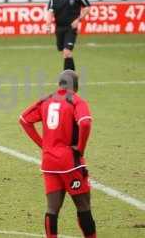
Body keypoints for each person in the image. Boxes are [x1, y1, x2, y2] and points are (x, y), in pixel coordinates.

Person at [19, 70, 96, 238]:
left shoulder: (46, 100)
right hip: (70, 163)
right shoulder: (76, 101)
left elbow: (24, 120)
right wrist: (80, 148)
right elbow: (85, 123)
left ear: (59, 84)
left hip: (49, 163)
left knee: (52, 209)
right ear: (75, 86)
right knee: (83, 206)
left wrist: (43, 144)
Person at [46, 0, 91, 71]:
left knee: (67, 51)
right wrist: (48, 25)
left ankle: (70, 79)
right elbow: (50, 11)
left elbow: (87, 7)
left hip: (71, 28)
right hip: (59, 28)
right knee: (64, 53)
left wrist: (78, 19)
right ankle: (70, 76)